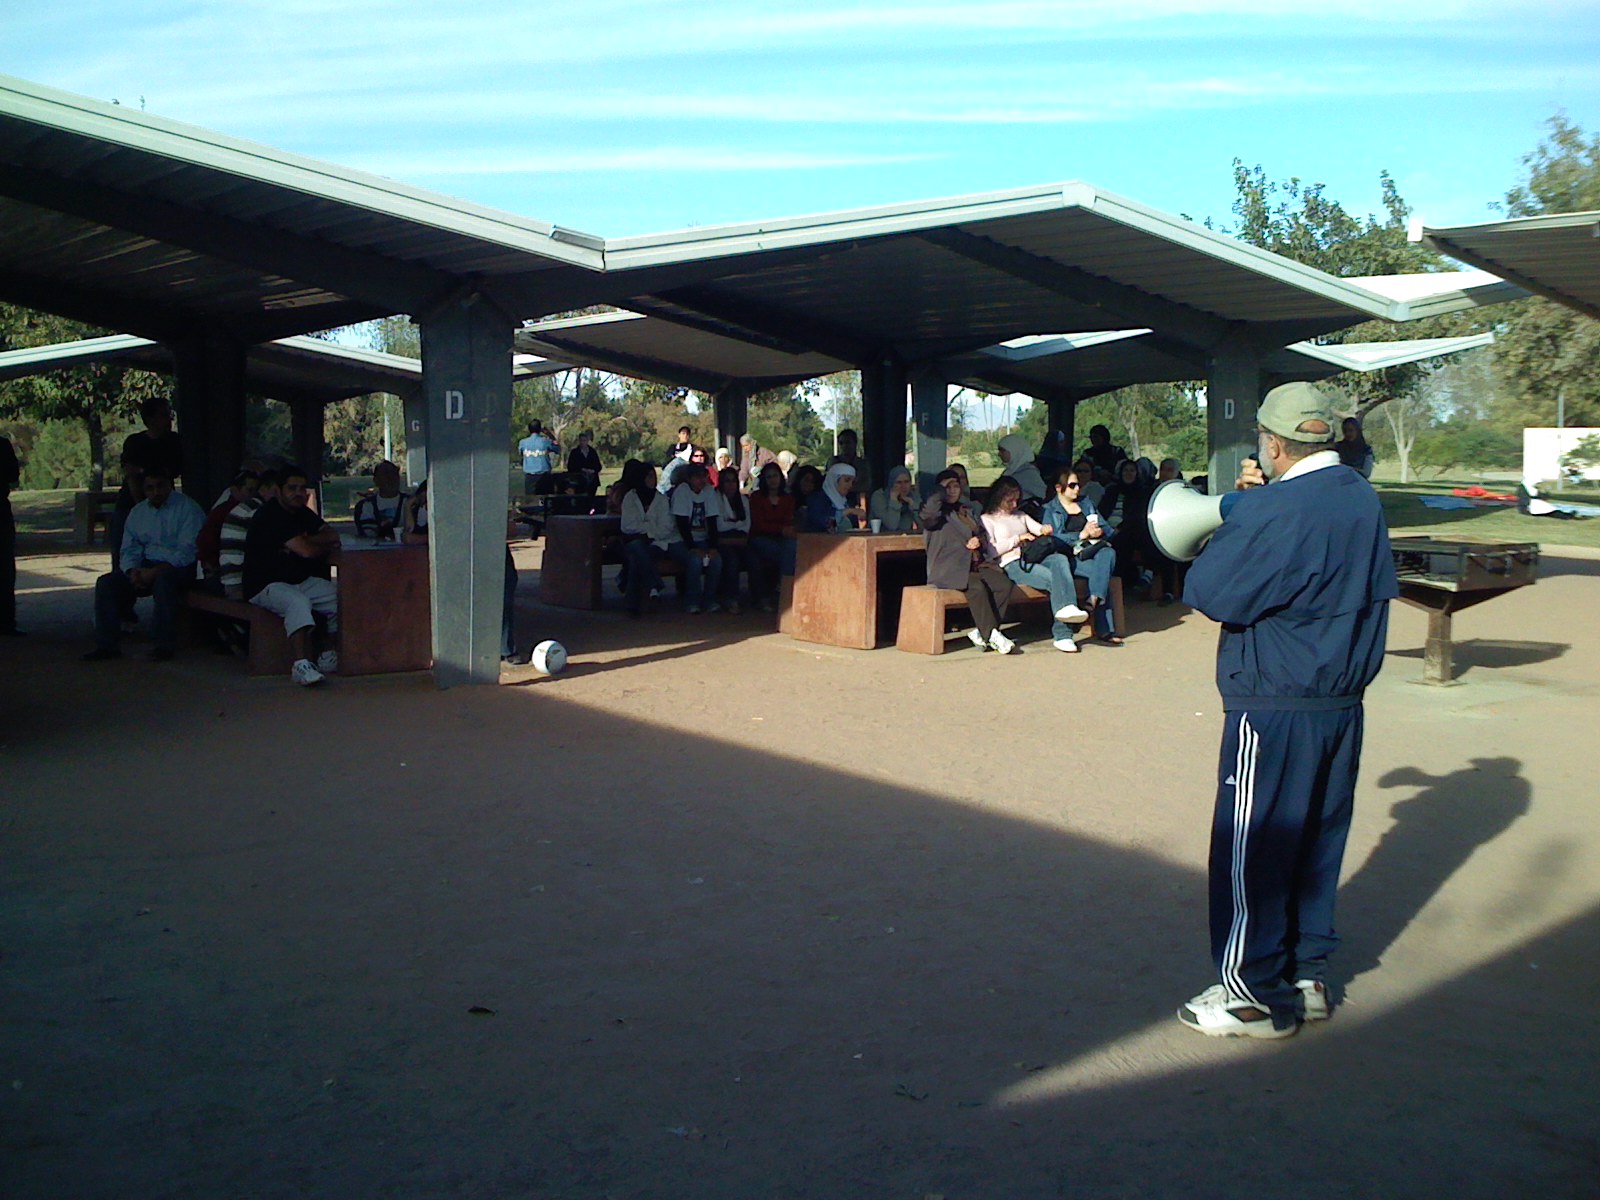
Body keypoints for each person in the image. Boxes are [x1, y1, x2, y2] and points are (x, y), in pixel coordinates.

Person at [1176, 382, 1398, 1039]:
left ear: (1273, 444)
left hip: (1273, 702)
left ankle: (1251, 996)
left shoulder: (1275, 507)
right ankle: (1304, 977)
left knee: (1254, 848)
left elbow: (1212, 591)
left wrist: (1245, 510)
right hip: (1341, 705)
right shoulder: (1362, 496)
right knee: (1314, 843)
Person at [83, 464, 204, 662]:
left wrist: (155, 572)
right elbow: (129, 547)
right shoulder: (138, 512)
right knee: (106, 583)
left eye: (160, 486)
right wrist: (132, 571)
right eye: (150, 487)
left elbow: (188, 551)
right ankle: (107, 645)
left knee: (164, 582)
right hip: (145, 564)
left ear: (170, 485)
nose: (156, 492)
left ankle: (163, 645)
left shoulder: (188, 509)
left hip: (179, 567)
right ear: (143, 489)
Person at [243, 464, 341, 686]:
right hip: (265, 585)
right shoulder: (269, 515)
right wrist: (311, 543)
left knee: (339, 597)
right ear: (278, 490)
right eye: (292, 488)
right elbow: (306, 552)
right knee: (298, 602)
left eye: (302, 488)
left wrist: (307, 539)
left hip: (299, 579)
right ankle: (301, 664)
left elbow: (332, 535)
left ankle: (327, 651)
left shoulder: (303, 513)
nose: (298, 493)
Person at [980, 475, 1088, 653]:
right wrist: (1017, 539)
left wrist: (1045, 529)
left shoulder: (1021, 515)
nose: (1014, 505)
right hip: (1012, 563)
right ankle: (1063, 634)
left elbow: (1037, 528)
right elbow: (992, 551)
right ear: (999, 497)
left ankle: (1068, 610)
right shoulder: (988, 519)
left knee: (1060, 560)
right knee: (1054, 579)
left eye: (1017, 500)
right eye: (1010, 501)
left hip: (1032, 557)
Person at [920, 468, 1016, 654]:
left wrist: (977, 540)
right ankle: (993, 636)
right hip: (949, 569)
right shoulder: (935, 514)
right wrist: (939, 491)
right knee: (977, 588)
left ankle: (984, 632)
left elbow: (981, 534)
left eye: (956, 485)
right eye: (947, 487)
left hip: (975, 564)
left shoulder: (965, 510)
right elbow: (929, 515)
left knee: (1003, 584)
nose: (952, 490)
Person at [1041, 467, 1123, 645]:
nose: (1077, 489)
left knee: (1108, 553)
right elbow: (1053, 539)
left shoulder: (1086, 503)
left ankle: (1093, 599)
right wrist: (1081, 535)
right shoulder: (1050, 510)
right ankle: (1104, 628)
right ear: (1058, 487)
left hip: (1092, 552)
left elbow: (1107, 529)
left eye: (1078, 484)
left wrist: (1100, 531)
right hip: (1069, 557)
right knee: (1102, 573)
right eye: (1072, 485)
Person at [668, 462, 724, 612]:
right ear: (689, 478)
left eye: (704, 476)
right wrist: (692, 547)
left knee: (716, 560)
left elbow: (712, 521)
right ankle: (692, 601)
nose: (702, 480)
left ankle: (710, 599)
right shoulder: (682, 492)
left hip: (703, 540)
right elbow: (682, 524)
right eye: (697, 477)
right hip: (680, 540)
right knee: (695, 560)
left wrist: (713, 547)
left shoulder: (709, 491)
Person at [197, 468, 260, 590]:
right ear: (235, 490)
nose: (253, 495)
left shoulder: (258, 511)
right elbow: (205, 543)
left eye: (256, 491)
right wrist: (213, 566)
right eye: (250, 490)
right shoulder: (221, 513)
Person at [746, 461, 795, 612]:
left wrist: (782, 530)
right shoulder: (756, 498)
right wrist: (780, 529)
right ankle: (784, 587)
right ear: (764, 480)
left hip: (781, 539)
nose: (772, 480)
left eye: (775, 476)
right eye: (768, 477)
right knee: (784, 552)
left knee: (791, 546)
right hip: (759, 538)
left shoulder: (788, 499)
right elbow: (759, 524)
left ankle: (784, 586)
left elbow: (789, 521)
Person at [120, 396, 183, 485]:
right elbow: (131, 473)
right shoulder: (134, 443)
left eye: (170, 415)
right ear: (150, 419)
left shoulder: (174, 441)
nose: (169, 420)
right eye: (163, 415)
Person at [713, 465, 750, 613]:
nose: (730, 485)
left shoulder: (743, 500)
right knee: (731, 559)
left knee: (753, 559)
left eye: (733, 481)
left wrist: (734, 527)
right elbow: (719, 526)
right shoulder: (715, 498)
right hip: (721, 539)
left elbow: (746, 525)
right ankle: (730, 598)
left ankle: (761, 597)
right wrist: (735, 526)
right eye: (727, 481)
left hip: (740, 538)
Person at [352, 461, 409, 539]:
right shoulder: (365, 506)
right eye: (385, 475)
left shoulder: (411, 503)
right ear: (376, 480)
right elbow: (368, 534)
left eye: (394, 475)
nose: (391, 479)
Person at [807, 463, 865, 533]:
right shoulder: (817, 499)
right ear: (834, 480)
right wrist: (847, 511)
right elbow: (822, 522)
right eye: (847, 480)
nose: (850, 485)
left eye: (852, 482)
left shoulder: (848, 501)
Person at [1, 432, 19, 635]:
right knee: (4, 567)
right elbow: (13, 476)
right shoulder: (3, 445)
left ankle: (6, 621)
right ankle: (6, 622)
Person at [997, 434, 1047, 504]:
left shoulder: (1028, 474)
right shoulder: (1012, 470)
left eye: (1002, 450)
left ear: (1014, 450)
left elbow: (1045, 495)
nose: (999, 454)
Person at [868, 465, 921, 532]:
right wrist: (894, 500)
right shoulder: (879, 496)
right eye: (899, 482)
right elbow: (892, 525)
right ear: (892, 483)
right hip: (881, 537)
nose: (903, 486)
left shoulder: (913, 495)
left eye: (906, 482)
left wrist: (913, 505)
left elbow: (924, 526)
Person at [517, 421, 559, 495]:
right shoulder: (545, 441)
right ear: (540, 430)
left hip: (530, 477)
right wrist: (550, 435)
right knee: (546, 500)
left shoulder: (523, 443)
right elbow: (557, 448)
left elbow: (521, 454)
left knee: (531, 501)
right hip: (544, 477)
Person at [827, 428, 872, 498]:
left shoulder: (862, 464)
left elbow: (866, 485)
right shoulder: (833, 461)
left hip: (855, 499)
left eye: (848, 442)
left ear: (855, 443)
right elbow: (830, 483)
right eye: (841, 443)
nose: (844, 446)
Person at [566, 430, 602, 495]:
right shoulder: (574, 452)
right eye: (581, 440)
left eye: (584, 440)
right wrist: (582, 469)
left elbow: (598, 466)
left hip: (592, 481)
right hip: (579, 481)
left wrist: (593, 471)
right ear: (579, 441)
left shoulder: (592, 452)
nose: (583, 442)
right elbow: (570, 467)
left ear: (587, 441)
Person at [790, 465, 826, 530]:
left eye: (812, 482)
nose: (808, 485)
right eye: (806, 480)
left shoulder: (819, 502)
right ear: (799, 480)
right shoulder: (789, 499)